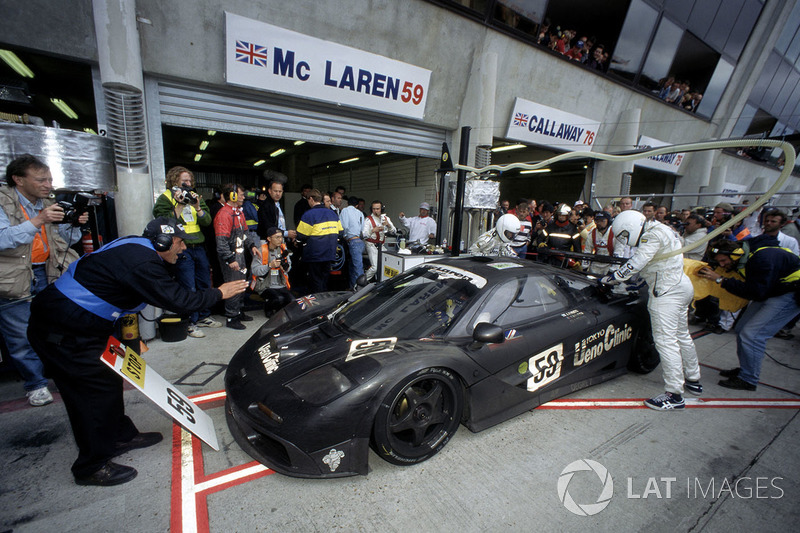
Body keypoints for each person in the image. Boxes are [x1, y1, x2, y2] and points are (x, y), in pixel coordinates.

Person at [26, 217, 248, 485]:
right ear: (162, 242)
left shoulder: (137, 246)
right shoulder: (142, 263)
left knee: (108, 380)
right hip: (64, 330)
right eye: (179, 242)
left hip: (81, 324)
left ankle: (120, 435)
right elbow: (179, 301)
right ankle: (91, 466)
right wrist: (219, 293)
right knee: (89, 394)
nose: (183, 249)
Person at [1, 154, 87, 406]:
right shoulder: (3, 202)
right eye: (41, 179)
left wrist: (74, 225)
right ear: (18, 179)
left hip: (47, 271)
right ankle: (35, 384)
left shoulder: (46, 203)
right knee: (20, 333)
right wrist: (39, 220)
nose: (48, 185)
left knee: (55, 327)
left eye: (49, 179)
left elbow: (64, 241)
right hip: (14, 276)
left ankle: (59, 374)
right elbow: (2, 238)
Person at [601, 210, 701, 410]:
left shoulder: (651, 235)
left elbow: (638, 261)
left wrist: (611, 278)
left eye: (625, 236)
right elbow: (660, 261)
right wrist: (640, 281)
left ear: (631, 227)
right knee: (682, 335)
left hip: (666, 292)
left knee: (665, 340)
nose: (626, 240)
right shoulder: (662, 229)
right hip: (680, 285)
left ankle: (674, 395)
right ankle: (693, 378)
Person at [699, 238, 800, 391]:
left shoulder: (761, 259)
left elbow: (756, 292)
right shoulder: (746, 257)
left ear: (736, 254)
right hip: (774, 289)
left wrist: (721, 280)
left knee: (753, 335)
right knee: (741, 328)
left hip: (790, 293)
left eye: (724, 261)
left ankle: (749, 379)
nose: (722, 265)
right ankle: (746, 369)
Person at [152, 166, 221, 338]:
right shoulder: (165, 198)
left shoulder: (195, 197)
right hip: (181, 249)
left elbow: (206, 221)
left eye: (190, 180)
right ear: (174, 181)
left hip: (198, 247)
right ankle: (190, 321)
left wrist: (197, 207)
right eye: (185, 181)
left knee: (204, 282)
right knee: (188, 286)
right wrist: (180, 205)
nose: (188, 184)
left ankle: (204, 316)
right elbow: (164, 222)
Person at [215, 183, 261, 329]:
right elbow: (221, 242)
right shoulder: (224, 214)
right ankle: (231, 317)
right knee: (233, 286)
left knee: (242, 284)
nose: (243, 197)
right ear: (232, 195)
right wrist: (230, 259)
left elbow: (245, 233)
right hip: (231, 258)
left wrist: (252, 246)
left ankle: (238, 311)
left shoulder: (238, 212)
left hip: (239, 255)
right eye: (241, 194)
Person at [296, 189, 343, 293]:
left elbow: (301, 236)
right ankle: (325, 302)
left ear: (311, 199)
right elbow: (340, 232)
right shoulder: (333, 214)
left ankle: (317, 305)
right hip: (329, 253)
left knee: (315, 282)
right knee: (324, 280)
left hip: (314, 255)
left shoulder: (309, 214)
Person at [252, 227, 292, 317]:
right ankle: (268, 308)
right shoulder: (261, 251)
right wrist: (269, 266)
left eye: (281, 237)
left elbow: (289, 266)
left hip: (280, 284)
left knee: (291, 301)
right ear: (269, 239)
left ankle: (279, 310)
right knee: (277, 299)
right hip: (265, 285)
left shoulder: (283, 249)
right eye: (277, 237)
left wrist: (284, 268)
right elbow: (255, 270)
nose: (280, 240)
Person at [257, 172, 296, 242]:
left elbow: (280, 223)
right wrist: (286, 233)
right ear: (269, 191)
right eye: (275, 191)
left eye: (280, 191)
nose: (278, 194)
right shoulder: (265, 206)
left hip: (279, 240)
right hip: (268, 242)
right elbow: (268, 227)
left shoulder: (278, 204)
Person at [363, 200, 396, 281]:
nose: (375, 211)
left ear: (382, 209)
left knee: (387, 264)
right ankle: (362, 282)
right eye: (374, 209)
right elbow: (364, 235)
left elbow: (394, 231)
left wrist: (388, 225)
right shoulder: (368, 220)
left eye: (377, 209)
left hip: (381, 245)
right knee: (375, 267)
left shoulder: (386, 218)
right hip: (371, 244)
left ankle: (381, 282)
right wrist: (373, 230)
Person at [339, 195, 365, 289]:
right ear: (357, 205)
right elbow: (362, 228)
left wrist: (345, 236)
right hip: (360, 242)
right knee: (353, 267)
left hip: (352, 241)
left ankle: (361, 289)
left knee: (358, 268)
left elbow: (344, 226)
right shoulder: (360, 213)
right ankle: (352, 287)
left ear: (347, 203)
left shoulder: (345, 211)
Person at [586, 211, 614, 275]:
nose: (599, 223)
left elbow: (618, 252)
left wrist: (613, 270)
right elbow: (587, 251)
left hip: (609, 265)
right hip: (595, 265)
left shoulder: (614, 233)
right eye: (597, 221)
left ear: (608, 221)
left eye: (602, 221)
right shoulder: (592, 233)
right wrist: (585, 267)